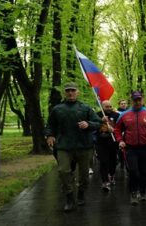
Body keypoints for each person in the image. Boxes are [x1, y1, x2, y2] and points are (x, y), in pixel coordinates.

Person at [44, 82, 102, 212]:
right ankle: (69, 197)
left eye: (73, 90)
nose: (70, 93)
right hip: (64, 146)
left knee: (84, 175)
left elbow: (98, 123)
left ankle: (81, 193)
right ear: (65, 92)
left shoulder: (86, 108)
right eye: (68, 90)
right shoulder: (57, 109)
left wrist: (88, 124)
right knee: (63, 171)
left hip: (84, 146)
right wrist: (49, 135)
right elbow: (50, 125)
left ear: (77, 92)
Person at [114, 91, 146, 206]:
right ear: (131, 100)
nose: (137, 102)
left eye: (139, 99)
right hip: (130, 148)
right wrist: (120, 140)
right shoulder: (124, 115)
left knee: (145, 171)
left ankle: (143, 191)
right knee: (133, 171)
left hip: (145, 147)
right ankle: (133, 192)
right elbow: (117, 130)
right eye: (135, 100)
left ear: (143, 100)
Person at [95, 100, 120, 192]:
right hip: (101, 142)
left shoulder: (116, 115)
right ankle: (105, 181)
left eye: (110, 106)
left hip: (113, 142)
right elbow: (93, 126)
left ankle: (112, 175)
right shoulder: (97, 115)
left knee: (113, 160)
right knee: (103, 161)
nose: (109, 108)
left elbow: (120, 127)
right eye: (106, 107)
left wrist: (113, 130)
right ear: (102, 107)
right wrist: (100, 121)